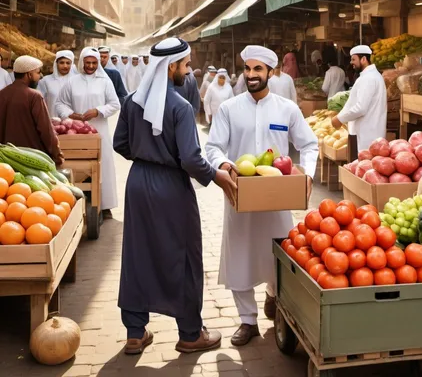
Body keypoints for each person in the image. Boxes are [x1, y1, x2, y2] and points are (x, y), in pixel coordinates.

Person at [113, 37, 237, 355]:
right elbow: (192, 160)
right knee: (183, 257)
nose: (189, 69)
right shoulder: (180, 108)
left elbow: (120, 145)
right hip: (170, 187)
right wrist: (217, 177)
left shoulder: (130, 102)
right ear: (171, 68)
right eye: (185, 64)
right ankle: (190, 333)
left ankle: (135, 332)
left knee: (137, 255)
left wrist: (146, 156)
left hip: (138, 183)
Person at [205, 45, 318, 347]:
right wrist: (224, 165)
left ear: (270, 71)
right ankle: (247, 321)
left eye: (258, 70)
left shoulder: (287, 109)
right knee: (239, 255)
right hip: (239, 192)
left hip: (277, 195)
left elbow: (309, 145)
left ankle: (272, 294)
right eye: (247, 69)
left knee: (279, 251)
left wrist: (307, 172)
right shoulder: (230, 108)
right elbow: (213, 147)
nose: (252, 75)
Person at [55, 47, 120, 219]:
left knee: (102, 166)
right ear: (82, 62)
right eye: (88, 62)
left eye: (94, 63)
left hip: (100, 132)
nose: (90, 66)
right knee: (80, 166)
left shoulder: (105, 82)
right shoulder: (72, 81)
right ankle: (79, 204)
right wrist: (70, 114)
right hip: (76, 133)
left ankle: (104, 206)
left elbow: (115, 104)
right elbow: (60, 104)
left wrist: (98, 111)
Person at [0, 55, 63, 165]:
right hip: (32, 160)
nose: (41, 76)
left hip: (6, 159)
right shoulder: (34, 96)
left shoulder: (2, 94)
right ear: (29, 74)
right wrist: (57, 155)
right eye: (38, 72)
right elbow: (46, 130)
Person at [332, 45, 387, 159]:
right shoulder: (371, 76)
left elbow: (361, 108)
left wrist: (340, 119)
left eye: (353, 59)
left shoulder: (369, 78)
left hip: (368, 134)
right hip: (369, 132)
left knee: (365, 167)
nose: (351, 63)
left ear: (363, 59)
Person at [38, 50, 77, 117]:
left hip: (74, 124)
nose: (65, 66)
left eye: (68, 63)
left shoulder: (76, 81)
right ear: (56, 64)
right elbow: (39, 103)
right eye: (61, 63)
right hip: (52, 122)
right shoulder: (46, 81)